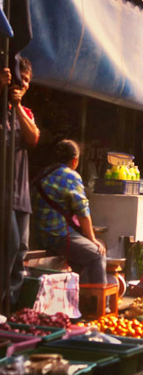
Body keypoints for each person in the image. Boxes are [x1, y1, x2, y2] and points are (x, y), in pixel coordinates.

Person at [32, 140, 107, 284]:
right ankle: (99, 304)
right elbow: (82, 212)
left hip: (39, 236)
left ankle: (79, 298)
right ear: (75, 160)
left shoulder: (42, 174)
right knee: (97, 254)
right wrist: (92, 239)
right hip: (58, 236)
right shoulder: (71, 176)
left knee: (82, 258)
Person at [0, 59, 39, 306]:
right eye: (18, 78)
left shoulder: (24, 112)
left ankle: (9, 309)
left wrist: (17, 105)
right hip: (3, 196)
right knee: (9, 248)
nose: (22, 83)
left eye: (26, 80)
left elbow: (33, 137)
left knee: (20, 252)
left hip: (21, 197)